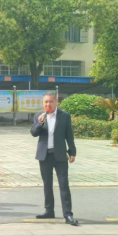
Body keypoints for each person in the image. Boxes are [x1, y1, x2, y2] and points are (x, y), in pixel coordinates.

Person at [31, 93, 78, 226]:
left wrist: (72, 151)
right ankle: (49, 211)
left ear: (56, 102)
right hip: (44, 155)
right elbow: (34, 133)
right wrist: (39, 123)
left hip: (60, 155)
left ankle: (68, 214)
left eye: (51, 101)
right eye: (46, 102)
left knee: (64, 184)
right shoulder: (39, 116)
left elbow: (69, 135)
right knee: (47, 184)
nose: (48, 104)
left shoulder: (64, 116)